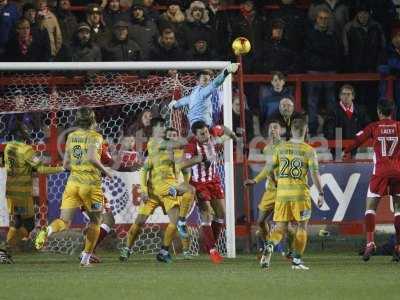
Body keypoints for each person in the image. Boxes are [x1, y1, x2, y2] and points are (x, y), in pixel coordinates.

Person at [34, 107, 113, 267]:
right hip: (90, 185)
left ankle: (47, 231)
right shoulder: (95, 136)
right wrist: (106, 171)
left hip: (72, 183)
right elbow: (92, 158)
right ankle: (85, 259)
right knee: (96, 221)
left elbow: (66, 164)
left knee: (64, 221)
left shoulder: (71, 136)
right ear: (92, 120)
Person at [119, 118, 194, 263]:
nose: (163, 129)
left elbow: (186, 169)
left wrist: (184, 183)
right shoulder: (154, 144)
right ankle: (127, 248)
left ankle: (165, 251)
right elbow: (145, 170)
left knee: (175, 221)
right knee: (139, 221)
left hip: (169, 191)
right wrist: (144, 190)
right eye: (161, 127)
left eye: (164, 126)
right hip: (153, 192)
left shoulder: (173, 151)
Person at [261, 113, 324, 270]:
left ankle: (270, 245)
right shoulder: (309, 150)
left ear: (290, 130)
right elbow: (315, 174)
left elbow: (269, 169)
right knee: (302, 227)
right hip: (300, 195)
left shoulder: (280, 148)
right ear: (306, 130)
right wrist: (321, 193)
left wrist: (275, 183)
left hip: (282, 194)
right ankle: (296, 261)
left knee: (280, 227)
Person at [344, 99, 400, 262]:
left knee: (370, 208)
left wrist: (346, 150)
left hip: (380, 172)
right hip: (397, 172)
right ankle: (398, 246)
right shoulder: (398, 126)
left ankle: (370, 243)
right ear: (392, 111)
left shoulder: (374, 127)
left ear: (378, 112)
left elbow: (358, 140)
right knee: (398, 209)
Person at [2, 122, 64, 255]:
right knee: (29, 225)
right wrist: (61, 168)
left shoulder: (8, 147)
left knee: (17, 221)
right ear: (25, 137)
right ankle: (5, 248)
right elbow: (41, 168)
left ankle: (5, 252)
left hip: (10, 189)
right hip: (22, 192)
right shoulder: (26, 150)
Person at [183, 121, 237, 263]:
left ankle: (209, 244)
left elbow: (223, 128)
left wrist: (233, 136)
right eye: (202, 134)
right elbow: (184, 163)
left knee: (221, 214)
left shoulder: (213, 133)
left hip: (214, 180)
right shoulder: (191, 146)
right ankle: (212, 250)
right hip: (199, 183)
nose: (206, 135)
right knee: (206, 212)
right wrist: (200, 158)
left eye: (206, 132)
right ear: (195, 135)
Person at [168, 64, 239, 128]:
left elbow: (216, 83)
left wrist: (226, 71)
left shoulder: (205, 92)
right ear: (197, 82)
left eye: (209, 80)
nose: (208, 83)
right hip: (195, 127)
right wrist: (176, 105)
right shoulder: (195, 92)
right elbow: (187, 99)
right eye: (205, 80)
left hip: (203, 127)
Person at [323, 84, 370, 159]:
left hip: (355, 147)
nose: (346, 96)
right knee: (338, 169)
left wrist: (360, 137)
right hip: (338, 149)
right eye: (343, 94)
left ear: (353, 96)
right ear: (340, 96)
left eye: (348, 94)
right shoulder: (333, 111)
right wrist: (335, 145)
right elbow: (328, 130)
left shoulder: (360, 110)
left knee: (354, 168)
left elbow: (368, 127)